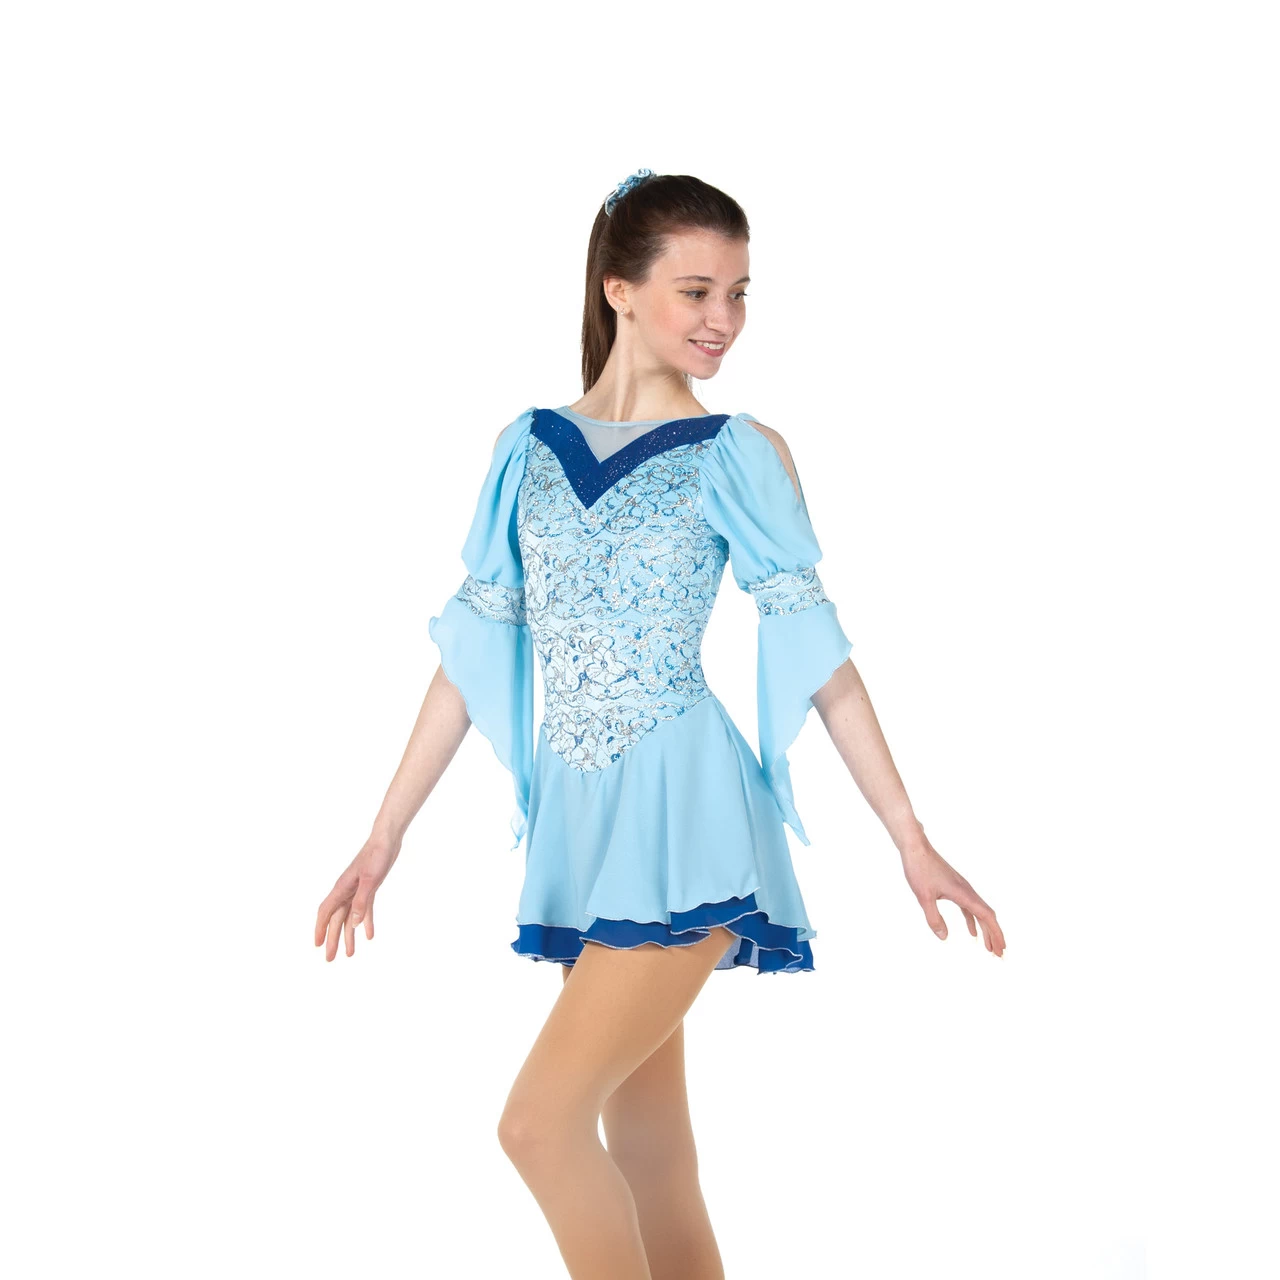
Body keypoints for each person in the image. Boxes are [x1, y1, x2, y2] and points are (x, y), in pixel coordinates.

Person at [314, 168, 1005, 1279]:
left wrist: (909, 838)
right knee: (647, 1150)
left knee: (536, 1127)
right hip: (582, 828)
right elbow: (471, 654)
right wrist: (382, 836)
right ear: (619, 289)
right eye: (697, 291)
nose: (723, 319)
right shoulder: (525, 448)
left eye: (739, 293)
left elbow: (817, 655)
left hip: (689, 816)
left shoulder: (739, 450)